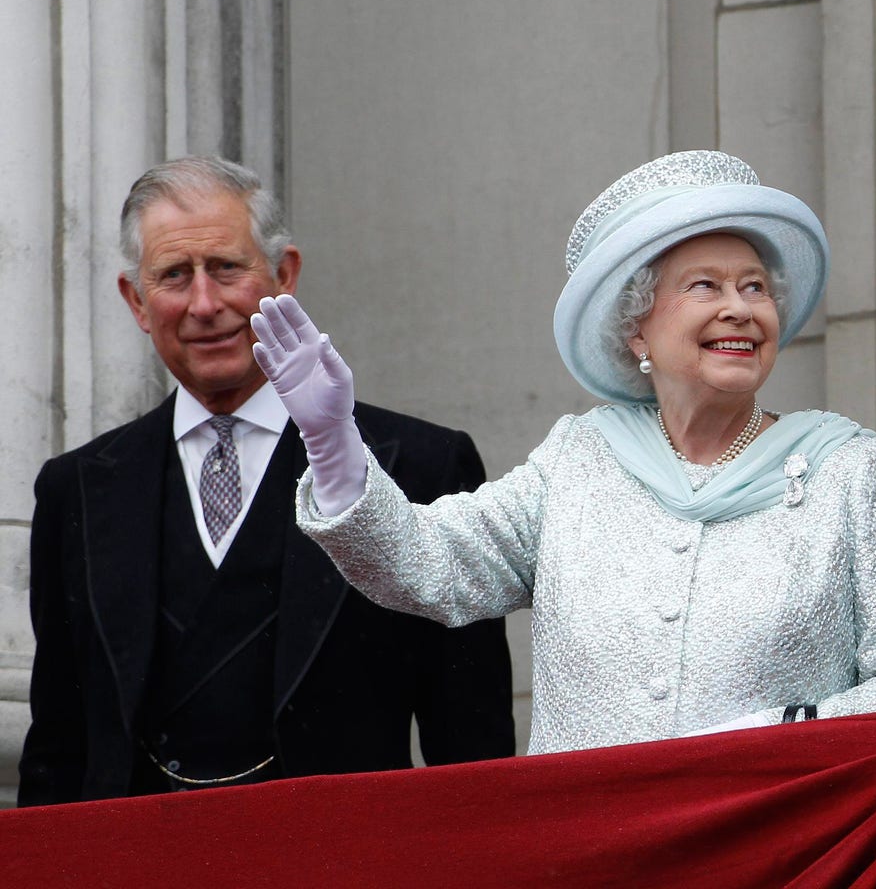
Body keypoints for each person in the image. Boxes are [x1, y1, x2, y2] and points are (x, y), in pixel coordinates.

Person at [251, 150, 876, 753]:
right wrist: (332, 440)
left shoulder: (846, 468)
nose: (741, 308)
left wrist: (785, 730)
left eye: (755, 287)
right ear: (637, 329)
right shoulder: (577, 461)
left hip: (775, 840)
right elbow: (428, 567)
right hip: (591, 844)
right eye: (706, 287)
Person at [19, 157, 514, 805]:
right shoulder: (77, 490)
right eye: (174, 275)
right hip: (139, 853)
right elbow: (59, 748)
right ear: (136, 301)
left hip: (341, 850)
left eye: (227, 267)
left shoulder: (420, 467)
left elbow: (473, 746)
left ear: (285, 274)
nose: (204, 304)